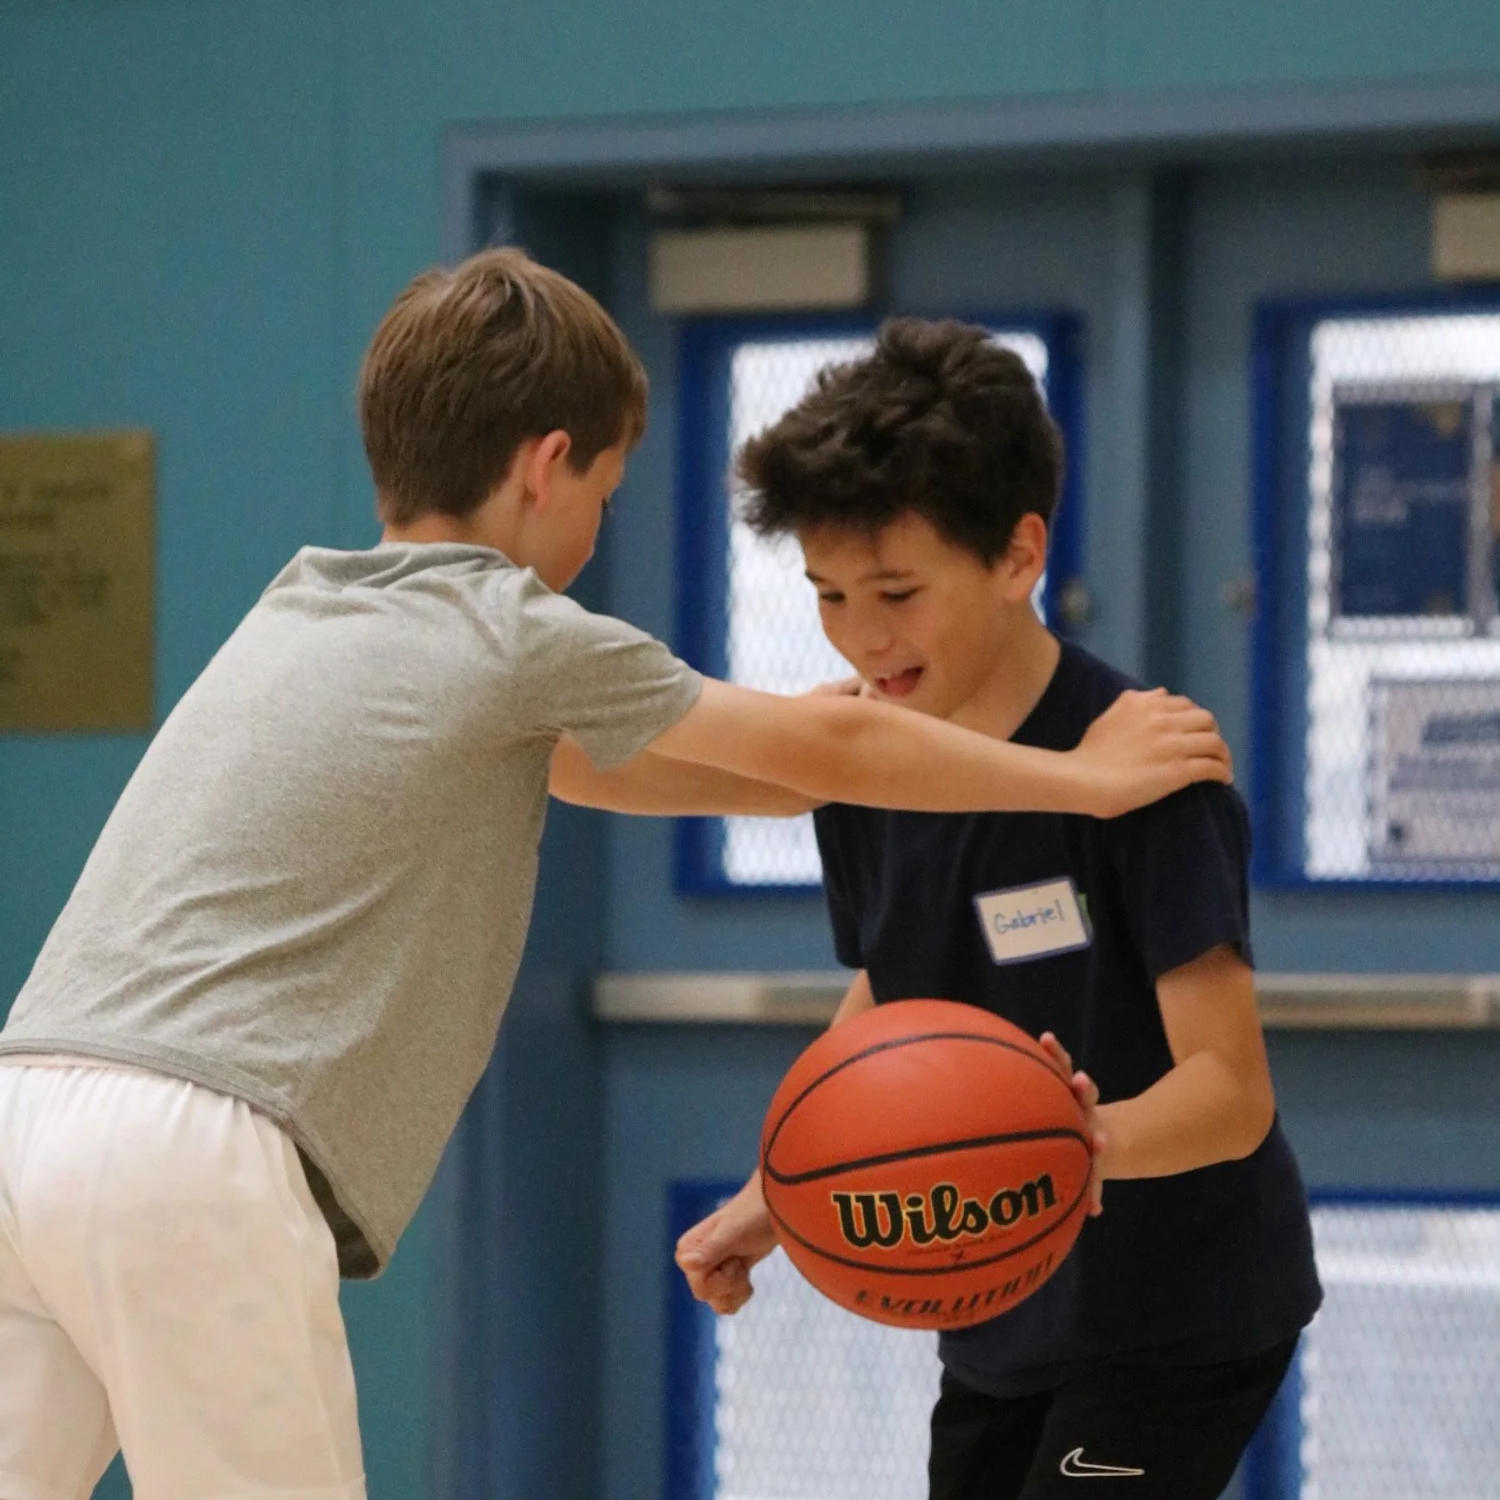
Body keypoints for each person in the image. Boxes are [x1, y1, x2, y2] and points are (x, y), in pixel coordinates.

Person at [0, 254, 1230, 1500]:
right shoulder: (506, 628)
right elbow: (828, 748)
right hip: (188, 1147)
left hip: (27, 1112)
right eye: (606, 488)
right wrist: (1087, 775)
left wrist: (838, 759)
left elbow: (644, 770)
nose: (599, 525)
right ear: (545, 467)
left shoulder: (305, 606)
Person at [676, 318, 1322, 1500]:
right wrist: (772, 1195)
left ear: (1019, 555)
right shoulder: (860, 768)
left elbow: (1231, 1093)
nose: (861, 637)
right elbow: (894, 988)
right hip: (998, 1299)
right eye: (826, 595)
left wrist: (1081, 1146)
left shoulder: (1147, 768)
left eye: (897, 591)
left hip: (1180, 1316)